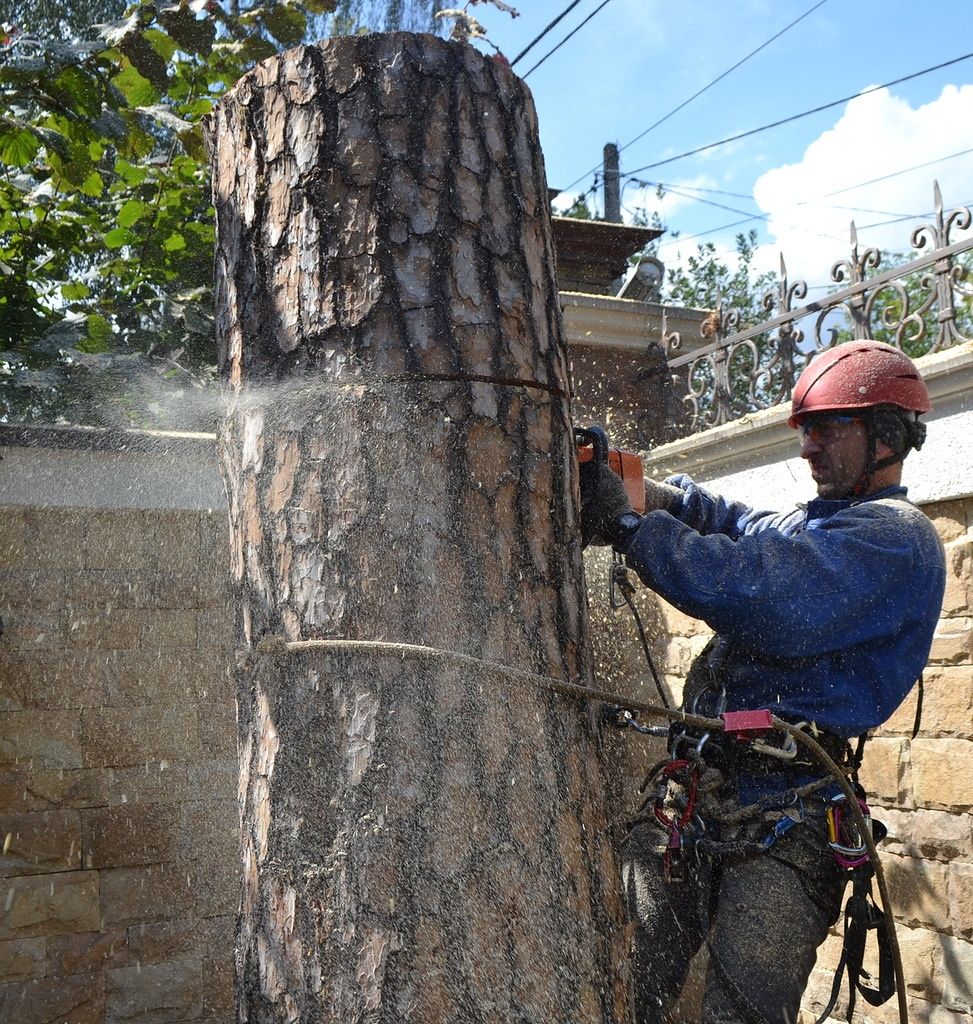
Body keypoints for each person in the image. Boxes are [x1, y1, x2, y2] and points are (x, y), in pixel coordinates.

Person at [579, 340, 946, 1024]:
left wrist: (630, 528)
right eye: (805, 430)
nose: (808, 448)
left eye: (828, 429)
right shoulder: (811, 524)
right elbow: (733, 524)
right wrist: (636, 488)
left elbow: (764, 597)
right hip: (693, 795)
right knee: (617, 983)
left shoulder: (896, 539)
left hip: (789, 815)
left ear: (887, 436)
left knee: (739, 1013)